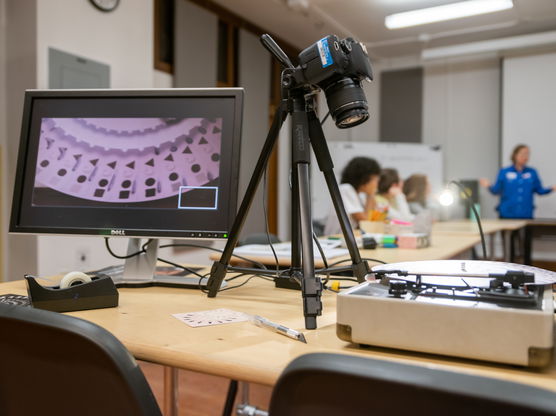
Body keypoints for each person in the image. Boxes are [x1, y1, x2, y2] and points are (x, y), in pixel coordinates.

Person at [480, 144, 555, 219]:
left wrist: (551, 188)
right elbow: (496, 190)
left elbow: (540, 191)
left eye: (527, 154)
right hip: (507, 214)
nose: (525, 156)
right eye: (522, 153)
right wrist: (489, 185)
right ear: (515, 155)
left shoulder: (532, 172)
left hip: (526, 214)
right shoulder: (504, 172)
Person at [324, 156, 381, 235]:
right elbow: (365, 223)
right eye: (375, 179)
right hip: (336, 239)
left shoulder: (360, 195)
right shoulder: (346, 189)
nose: (376, 184)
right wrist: (370, 195)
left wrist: (370, 195)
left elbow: (373, 219)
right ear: (365, 178)